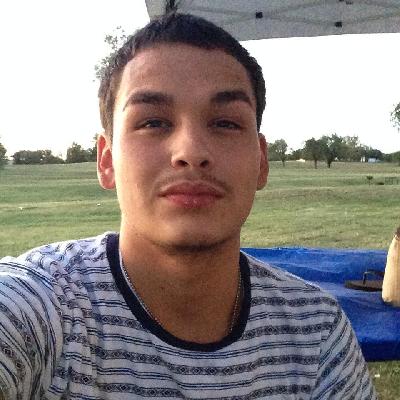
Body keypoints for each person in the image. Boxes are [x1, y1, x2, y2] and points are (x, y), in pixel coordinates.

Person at [0, 13, 376, 400]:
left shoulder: (317, 331)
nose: (191, 151)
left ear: (261, 162)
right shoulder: (43, 307)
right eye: (153, 122)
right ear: (107, 160)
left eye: (226, 123)